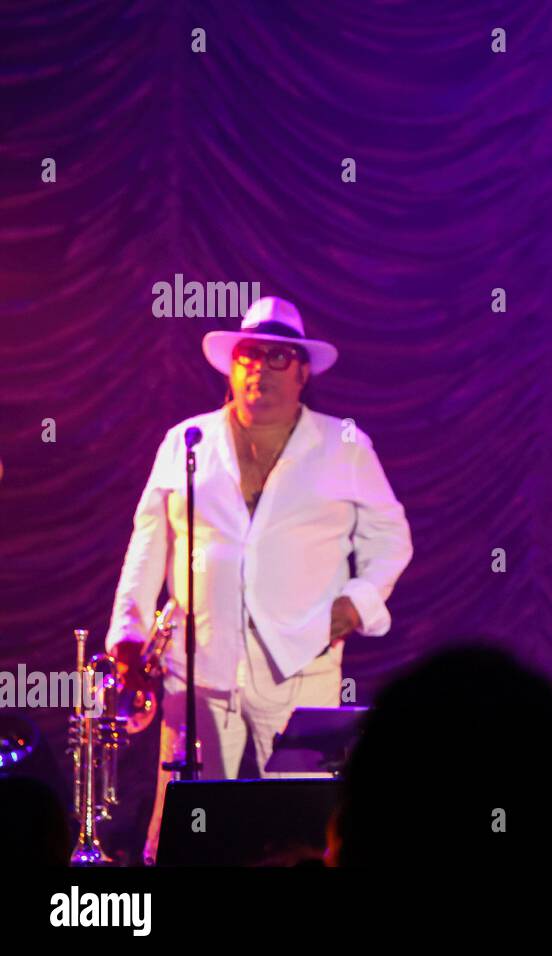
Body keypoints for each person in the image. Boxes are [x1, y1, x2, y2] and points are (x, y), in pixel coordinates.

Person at [104, 296, 413, 863]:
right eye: (249, 355)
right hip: (198, 668)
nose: (260, 369)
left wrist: (354, 606)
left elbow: (392, 538)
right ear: (231, 366)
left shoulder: (343, 445)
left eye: (278, 357)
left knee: (304, 824)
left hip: (302, 664)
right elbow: (148, 542)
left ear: (302, 372)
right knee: (189, 827)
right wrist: (127, 634)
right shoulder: (187, 442)